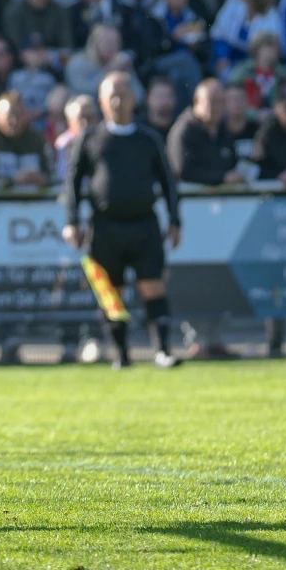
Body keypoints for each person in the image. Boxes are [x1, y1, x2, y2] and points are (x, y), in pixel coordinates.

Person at [61, 71, 184, 368]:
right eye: (111, 96)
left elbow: (168, 181)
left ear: (133, 99)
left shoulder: (148, 139)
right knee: (111, 293)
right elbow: (73, 182)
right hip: (104, 227)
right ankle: (121, 354)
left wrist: (175, 219)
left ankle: (163, 350)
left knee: (152, 286)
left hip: (144, 224)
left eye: (123, 95)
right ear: (102, 102)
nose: (117, 101)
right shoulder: (90, 138)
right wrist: (72, 221)